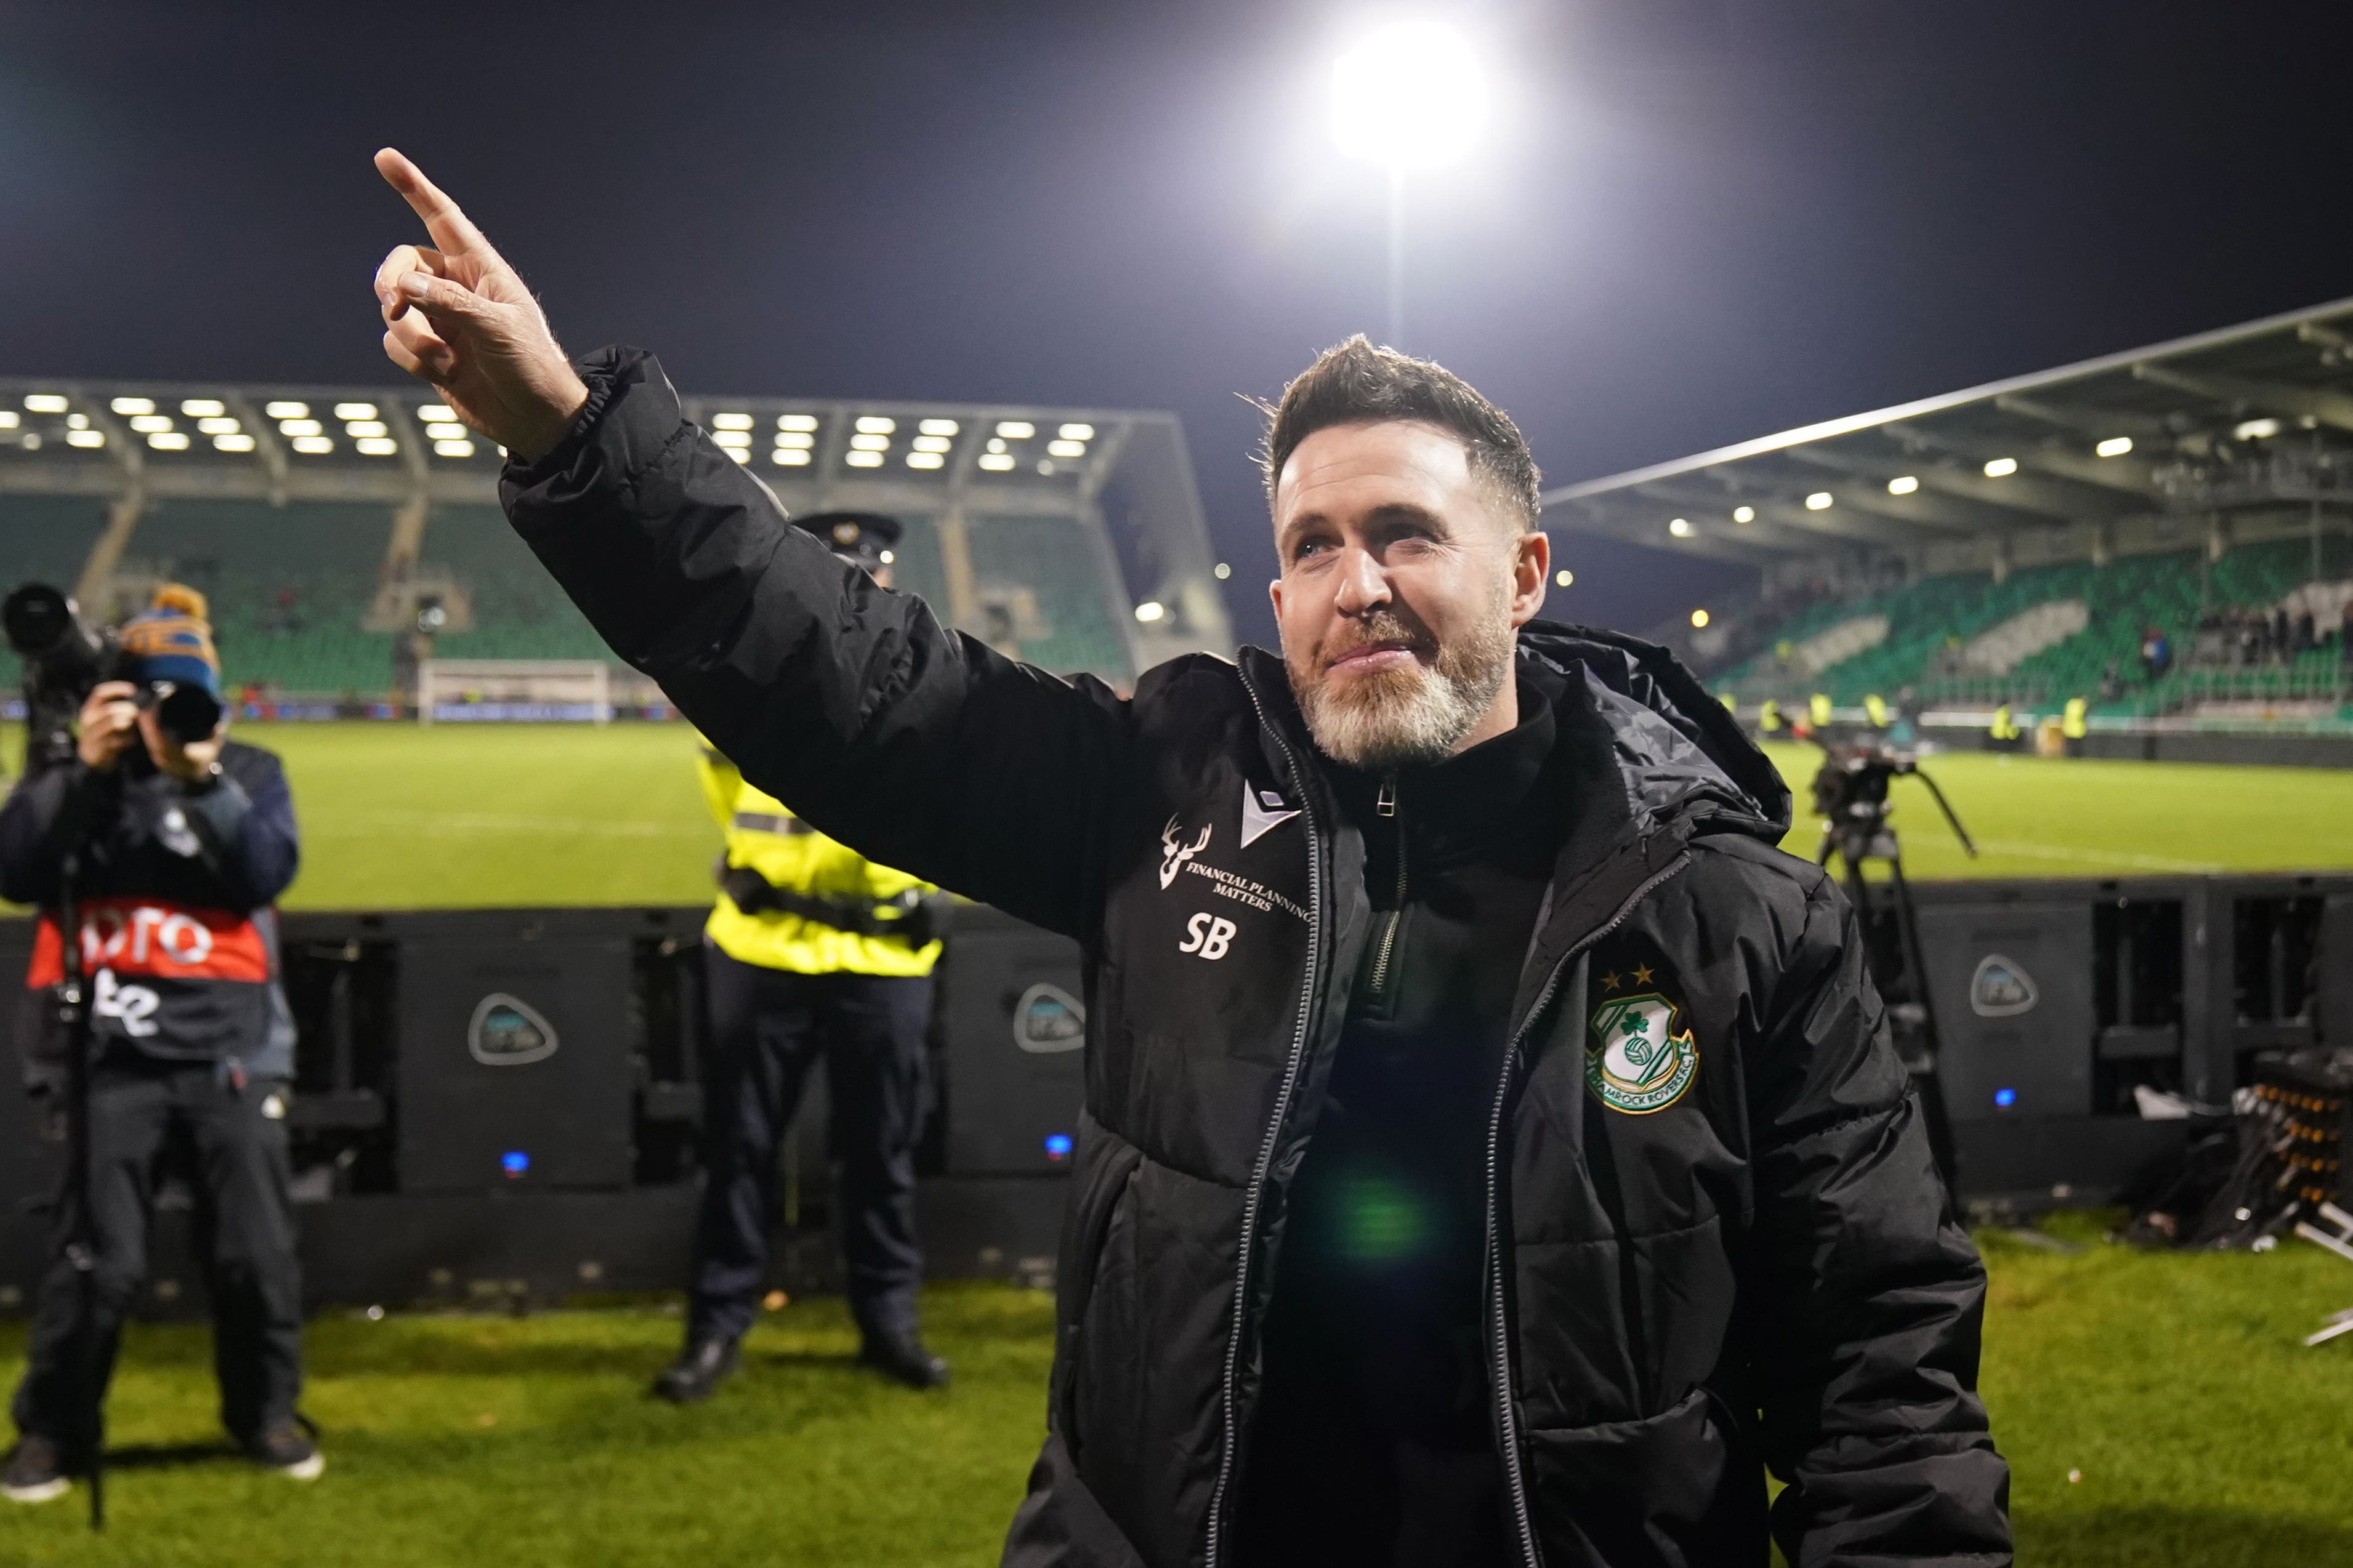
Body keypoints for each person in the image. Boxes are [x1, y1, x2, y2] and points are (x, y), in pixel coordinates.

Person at [368, 148, 2009, 1567]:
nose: (1351, 581)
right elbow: (854, 689)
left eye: (1401, 533)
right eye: (1308, 546)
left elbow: (1881, 1356)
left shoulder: (1736, 918)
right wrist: (572, 439)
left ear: (1520, 573)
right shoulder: (1163, 785)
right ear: (1274, 594)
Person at [0, 587, 316, 1503]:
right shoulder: (76, 775)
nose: (169, 718)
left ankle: (265, 1416)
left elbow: (265, 871)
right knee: (98, 1261)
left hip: (235, 1052)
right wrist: (84, 770)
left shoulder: (249, 771)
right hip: (105, 1057)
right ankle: (52, 1432)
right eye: (153, 698)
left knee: (256, 1256)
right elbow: (17, 871)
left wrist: (200, 779)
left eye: (188, 698)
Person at [654, 512, 953, 1403]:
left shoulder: (928, 677)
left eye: (865, 578)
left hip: (882, 951)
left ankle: (887, 1321)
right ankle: (716, 1327)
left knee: (881, 1152)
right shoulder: (741, 670)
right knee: (738, 1150)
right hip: (762, 945)